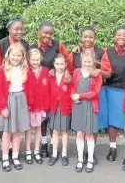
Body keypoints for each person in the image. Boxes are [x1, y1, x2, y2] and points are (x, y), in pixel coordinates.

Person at [0, 18, 30, 160]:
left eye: (21, 29)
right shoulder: (0, 44)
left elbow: (28, 68)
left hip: (19, 92)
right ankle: (5, 150)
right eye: (16, 29)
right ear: (9, 30)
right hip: (4, 90)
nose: (19, 31)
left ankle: (15, 152)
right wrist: (0, 96)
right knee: (4, 125)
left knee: (17, 126)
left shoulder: (26, 45)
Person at [0, 44, 33, 172]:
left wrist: (29, 103)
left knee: (17, 131)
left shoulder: (25, 69)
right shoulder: (2, 69)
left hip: (21, 100)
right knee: (7, 132)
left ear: (22, 57)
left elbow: (30, 88)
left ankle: (15, 156)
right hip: (8, 100)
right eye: (13, 55)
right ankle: (5, 157)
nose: (16, 57)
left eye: (19, 55)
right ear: (8, 55)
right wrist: (3, 107)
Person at [68, 26, 104, 165]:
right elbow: (73, 86)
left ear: (93, 62)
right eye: (85, 62)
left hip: (90, 106)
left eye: (90, 62)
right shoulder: (76, 71)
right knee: (79, 133)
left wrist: (80, 96)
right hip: (78, 106)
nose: (87, 64)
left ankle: (89, 159)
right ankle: (80, 159)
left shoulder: (96, 75)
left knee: (89, 134)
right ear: (81, 60)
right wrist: (72, 95)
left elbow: (95, 92)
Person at [36, 21, 71, 158]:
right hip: (40, 86)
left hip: (54, 84)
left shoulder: (58, 45)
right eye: (45, 33)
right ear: (39, 32)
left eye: (50, 33)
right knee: (43, 117)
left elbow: (67, 60)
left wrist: (67, 71)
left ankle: (53, 145)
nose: (48, 36)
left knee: (54, 115)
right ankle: (44, 143)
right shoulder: (33, 47)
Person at [99, 26, 125, 165]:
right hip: (111, 90)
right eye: (118, 35)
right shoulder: (107, 52)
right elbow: (105, 70)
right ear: (114, 37)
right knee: (112, 121)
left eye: (124, 35)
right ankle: (112, 148)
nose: (121, 37)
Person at [25, 48, 49, 165]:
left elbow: (48, 89)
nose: (35, 62)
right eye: (33, 59)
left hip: (41, 106)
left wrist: (46, 104)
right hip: (29, 106)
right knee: (29, 129)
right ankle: (28, 151)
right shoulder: (26, 70)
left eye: (37, 59)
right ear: (29, 60)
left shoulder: (45, 71)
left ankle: (37, 151)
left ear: (40, 60)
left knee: (39, 128)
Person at [48, 54, 72, 167]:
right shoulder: (51, 75)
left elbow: (72, 91)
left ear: (66, 65)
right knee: (55, 131)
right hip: (54, 107)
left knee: (65, 132)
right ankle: (54, 153)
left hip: (65, 107)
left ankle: (64, 154)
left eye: (62, 64)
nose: (59, 66)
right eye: (57, 64)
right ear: (54, 65)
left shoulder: (68, 77)